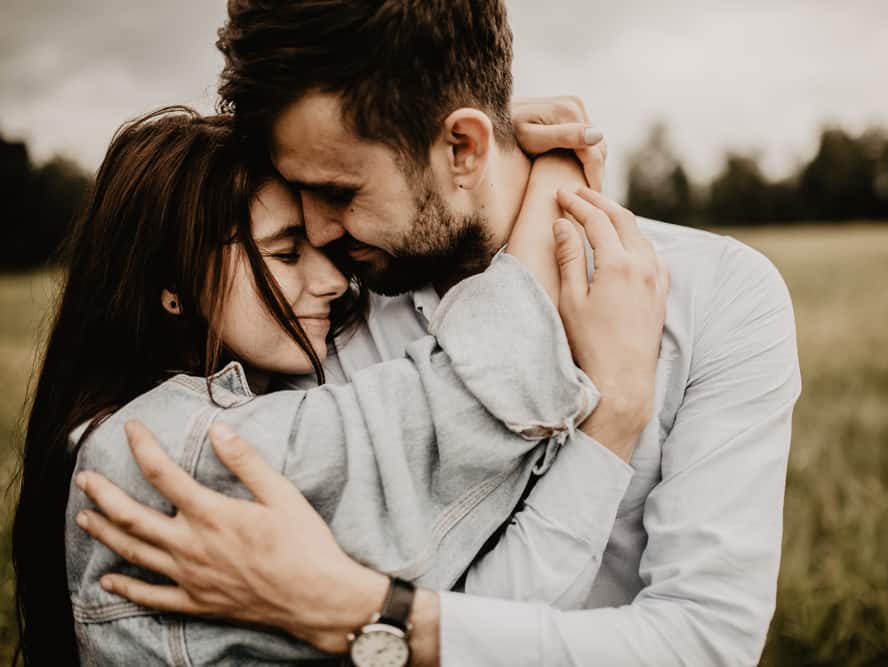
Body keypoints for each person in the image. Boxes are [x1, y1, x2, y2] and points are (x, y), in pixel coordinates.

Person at [75, 1, 802, 665]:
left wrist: (365, 616)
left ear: (463, 147)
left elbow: (702, 642)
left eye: (338, 193)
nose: (322, 237)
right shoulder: (320, 325)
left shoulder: (721, 296)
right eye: (300, 203)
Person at [11, 107, 667, 665]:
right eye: (287, 253)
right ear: (173, 286)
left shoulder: (242, 411)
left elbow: (469, 612)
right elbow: (465, 401)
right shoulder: (150, 454)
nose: (331, 280)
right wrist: (545, 168)